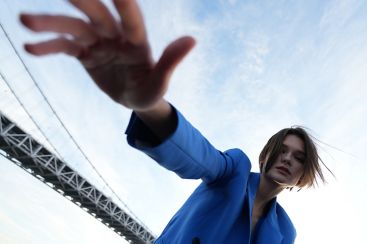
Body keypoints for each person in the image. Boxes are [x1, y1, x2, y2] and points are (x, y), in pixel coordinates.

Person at [20, 0, 330, 243]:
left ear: (304, 174)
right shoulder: (234, 170)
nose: (288, 159)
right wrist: (149, 106)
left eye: (299, 158)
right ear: (266, 154)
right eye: (282, 150)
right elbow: (199, 155)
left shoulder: (285, 232)